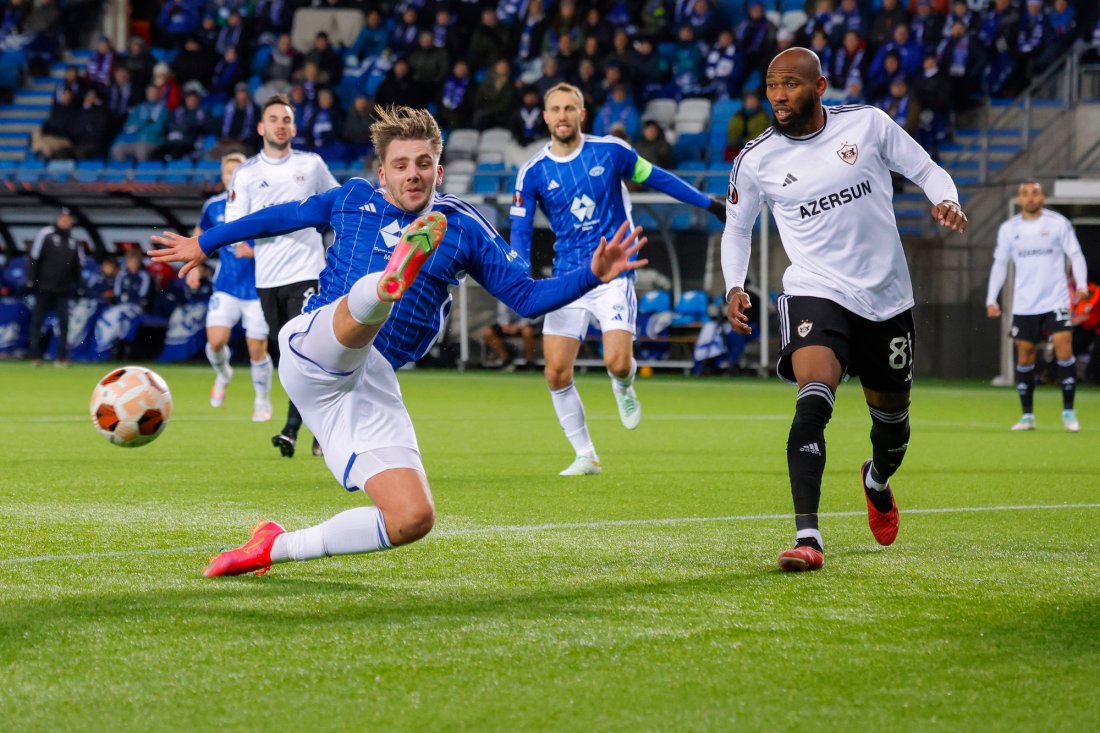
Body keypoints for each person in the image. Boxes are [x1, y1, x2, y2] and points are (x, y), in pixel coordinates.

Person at [149, 105, 646, 577]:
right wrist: (203, 242)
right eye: (401, 165)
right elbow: (276, 219)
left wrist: (592, 274)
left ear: (439, 170)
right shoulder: (350, 198)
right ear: (382, 172)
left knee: (412, 518)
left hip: (371, 382)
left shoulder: (465, 225)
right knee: (368, 302)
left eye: (424, 164)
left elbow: (529, 297)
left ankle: (272, 546)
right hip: (314, 345)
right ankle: (388, 282)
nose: (413, 173)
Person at [721, 48, 967, 572]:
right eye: (771, 85)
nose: (779, 95)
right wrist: (733, 286)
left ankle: (876, 479)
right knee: (813, 401)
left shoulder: (869, 125)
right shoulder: (756, 158)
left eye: (789, 84)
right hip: (816, 290)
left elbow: (927, 168)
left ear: (820, 85)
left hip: (886, 299)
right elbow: (737, 227)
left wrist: (946, 199)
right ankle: (808, 538)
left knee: (892, 430)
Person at [510, 83, 725, 476]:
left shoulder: (611, 151)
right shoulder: (532, 172)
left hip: (613, 273)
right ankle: (585, 454)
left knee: (617, 361)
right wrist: (518, 272)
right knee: (556, 371)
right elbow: (520, 231)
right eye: (555, 109)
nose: (562, 115)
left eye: (569, 108)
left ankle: (623, 384)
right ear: (544, 117)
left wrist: (708, 203)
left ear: (582, 113)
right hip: (568, 279)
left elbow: (658, 177)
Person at [226, 94, 339, 458]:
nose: (280, 124)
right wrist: (250, 240)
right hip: (267, 277)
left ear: (294, 127)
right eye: (273, 118)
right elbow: (233, 226)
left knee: (300, 350)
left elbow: (339, 203)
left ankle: (293, 428)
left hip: (307, 270)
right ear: (261, 127)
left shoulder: (312, 164)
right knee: (284, 355)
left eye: (286, 119)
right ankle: (318, 424)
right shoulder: (246, 174)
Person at [985, 180, 1088, 433]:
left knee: (1064, 348)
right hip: (1024, 303)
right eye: (1025, 194)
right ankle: (1027, 416)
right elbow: (1000, 263)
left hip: (1056, 299)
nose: (1030, 198)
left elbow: (1075, 254)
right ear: (1019, 200)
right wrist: (991, 298)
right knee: (1025, 355)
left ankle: (1068, 413)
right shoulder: (1010, 229)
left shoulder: (1057, 224)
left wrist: (1082, 284)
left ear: (1043, 197)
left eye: (1035, 193)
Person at [189, 152, 274, 421]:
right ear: (223, 177)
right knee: (215, 341)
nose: (233, 177)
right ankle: (223, 373)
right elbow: (199, 235)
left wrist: (256, 252)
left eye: (238, 172)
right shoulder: (213, 206)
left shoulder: (262, 204)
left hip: (258, 287)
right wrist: (193, 266)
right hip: (226, 285)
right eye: (228, 173)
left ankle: (262, 401)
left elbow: (280, 240)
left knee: (256, 348)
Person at [26, 208, 84, 366]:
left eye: (68, 219)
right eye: (63, 218)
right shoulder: (46, 234)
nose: (65, 221)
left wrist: (80, 286)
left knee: (64, 322)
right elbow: (34, 257)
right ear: (58, 219)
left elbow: (77, 267)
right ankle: (35, 356)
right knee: (37, 322)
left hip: (63, 289)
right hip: (43, 287)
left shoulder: (74, 241)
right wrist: (31, 280)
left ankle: (61, 357)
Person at [483, 302, 541, 370]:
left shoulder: (529, 295)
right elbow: (501, 313)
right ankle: (505, 359)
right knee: (488, 332)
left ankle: (529, 361)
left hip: (525, 324)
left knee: (527, 331)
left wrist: (519, 326)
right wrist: (505, 325)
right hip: (508, 325)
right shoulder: (505, 293)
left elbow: (534, 315)